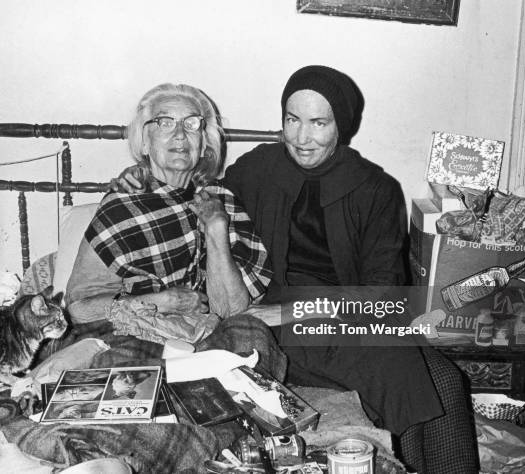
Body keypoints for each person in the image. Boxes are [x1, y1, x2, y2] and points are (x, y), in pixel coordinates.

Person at [114, 67, 478, 473]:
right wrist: (138, 175)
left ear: (343, 123)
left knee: (447, 379)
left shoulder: (375, 187)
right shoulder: (255, 169)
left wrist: (293, 312)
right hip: (271, 322)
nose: (302, 138)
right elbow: (189, 189)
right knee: (398, 365)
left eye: (318, 123)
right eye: (292, 120)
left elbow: (383, 295)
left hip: (341, 313)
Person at [66, 83, 272, 329]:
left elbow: (231, 311)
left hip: (210, 335)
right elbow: (79, 308)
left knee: (251, 335)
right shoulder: (122, 206)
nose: (180, 134)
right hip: (137, 332)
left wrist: (216, 229)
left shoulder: (221, 201)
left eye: (191, 124)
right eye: (165, 122)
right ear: (144, 142)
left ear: (204, 143)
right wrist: (161, 303)